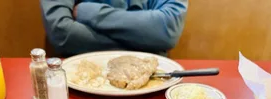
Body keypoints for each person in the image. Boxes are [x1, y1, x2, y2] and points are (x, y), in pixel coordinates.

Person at [40, 0, 188, 56]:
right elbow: (61, 31)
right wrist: (147, 43)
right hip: (79, 81)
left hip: (154, 82)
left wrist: (89, 12)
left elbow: (168, 29)